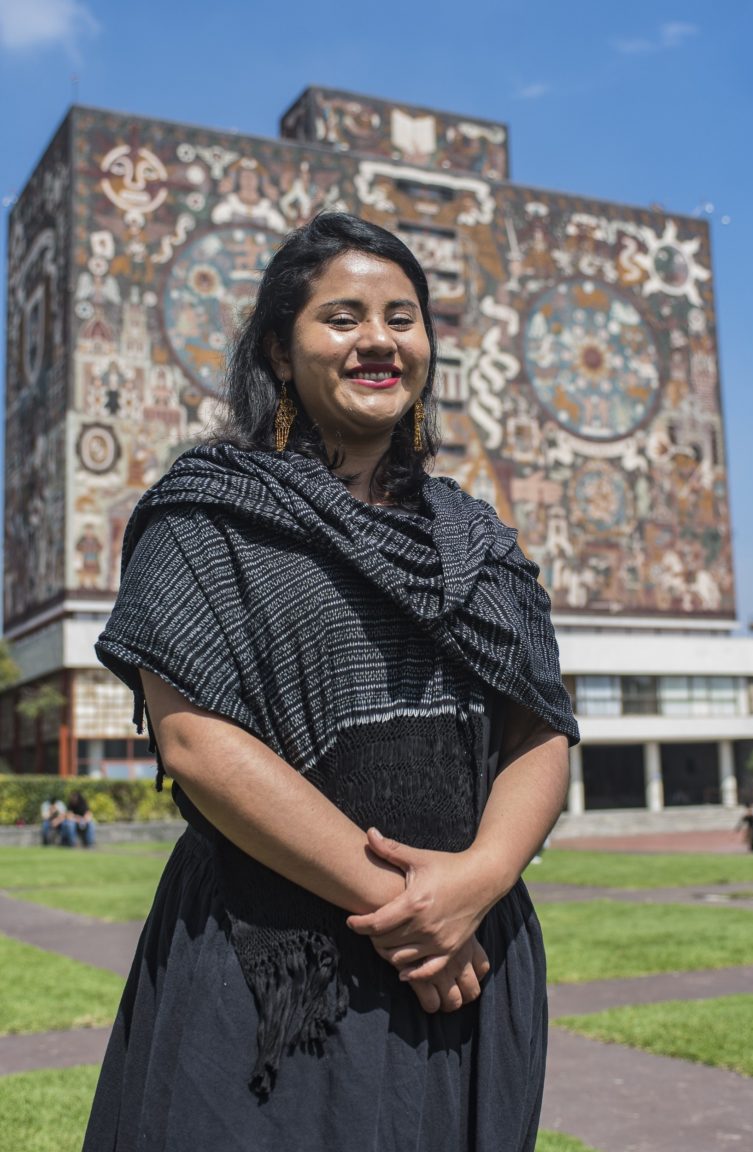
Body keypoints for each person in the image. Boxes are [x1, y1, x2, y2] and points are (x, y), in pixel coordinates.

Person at [83, 212, 578, 1152]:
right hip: (277, 977)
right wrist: (413, 916)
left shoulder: (477, 540)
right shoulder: (206, 515)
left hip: (470, 961)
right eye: (343, 317)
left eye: (403, 317)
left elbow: (540, 730)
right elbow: (194, 742)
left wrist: (476, 882)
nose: (380, 341)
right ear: (279, 347)